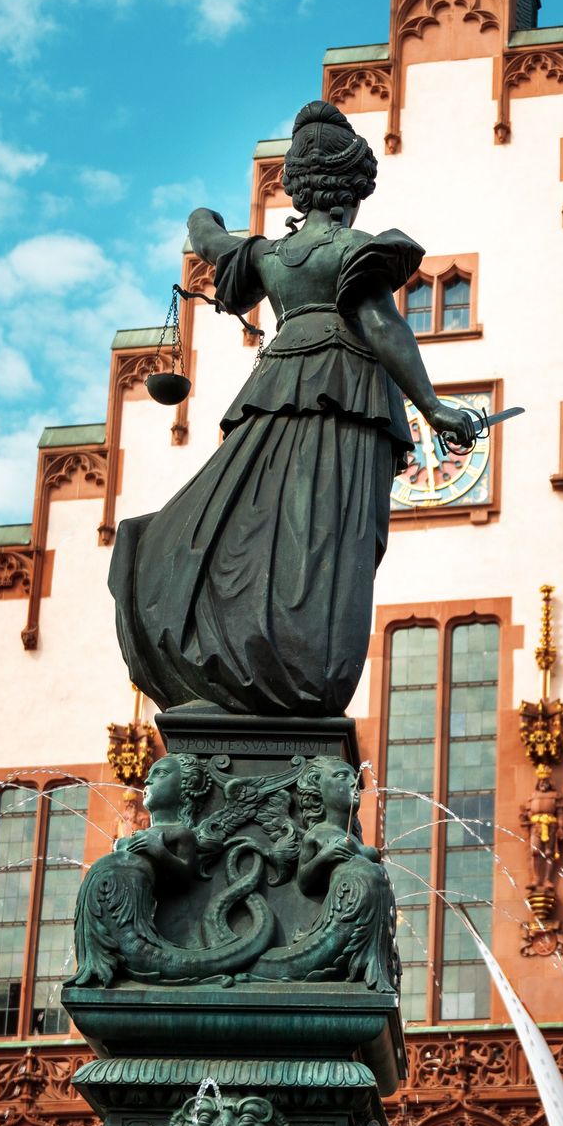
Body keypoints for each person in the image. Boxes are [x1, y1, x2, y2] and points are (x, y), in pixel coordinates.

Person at [113, 99, 487, 716]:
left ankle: (229, 633)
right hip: (346, 397)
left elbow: (205, 236)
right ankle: (305, 662)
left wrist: (202, 215)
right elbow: (380, 324)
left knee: (260, 523)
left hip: (276, 389)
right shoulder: (355, 251)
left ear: (299, 190)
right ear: (353, 192)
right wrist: (433, 406)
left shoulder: (269, 258)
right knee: (331, 534)